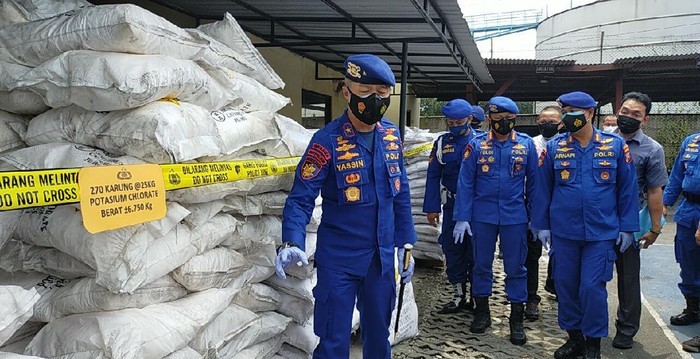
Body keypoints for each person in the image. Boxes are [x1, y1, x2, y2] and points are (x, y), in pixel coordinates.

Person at [278, 54, 417, 359]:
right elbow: (301, 198)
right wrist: (292, 240)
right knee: (333, 340)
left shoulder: (392, 136)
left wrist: (405, 245)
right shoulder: (325, 141)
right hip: (339, 260)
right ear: (346, 92)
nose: (376, 101)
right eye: (366, 92)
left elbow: (401, 193)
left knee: (380, 337)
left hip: (381, 262)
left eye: (382, 94)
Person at [531, 91, 639, 359]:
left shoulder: (614, 146)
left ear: (590, 113)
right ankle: (574, 338)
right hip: (564, 233)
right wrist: (541, 225)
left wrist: (627, 227)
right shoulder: (555, 147)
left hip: (600, 233)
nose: (567, 117)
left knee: (591, 288)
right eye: (564, 112)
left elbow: (627, 189)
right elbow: (542, 189)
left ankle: (593, 343)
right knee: (566, 286)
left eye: (572, 112)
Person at [453, 96, 538, 345]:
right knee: (481, 265)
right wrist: (462, 217)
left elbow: (534, 184)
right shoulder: (476, 145)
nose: (504, 124)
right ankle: (482, 312)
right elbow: (466, 182)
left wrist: (536, 219)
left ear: (515, 120)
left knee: (516, 267)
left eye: (509, 120)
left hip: (515, 216)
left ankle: (516, 318)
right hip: (483, 216)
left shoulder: (526, 145)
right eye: (499, 119)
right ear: (490, 119)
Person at [611, 92, 668, 349]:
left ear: (645, 119)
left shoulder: (652, 149)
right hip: (596, 220)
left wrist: (655, 229)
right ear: (617, 111)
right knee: (590, 276)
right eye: (625, 112)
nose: (628, 117)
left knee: (628, 277)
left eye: (636, 114)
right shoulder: (601, 140)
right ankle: (589, 324)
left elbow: (655, 191)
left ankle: (626, 328)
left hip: (628, 224)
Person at [423, 99, 477, 314]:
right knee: (452, 248)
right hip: (452, 205)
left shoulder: (481, 142)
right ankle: (458, 295)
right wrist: (432, 207)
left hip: (476, 208)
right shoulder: (441, 143)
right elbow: (433, 175)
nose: (454, 125)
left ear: (470, 119)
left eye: (459, 121)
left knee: (476, 252)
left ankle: (477, 297)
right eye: (450, 121)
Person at [524, 105, 563, 320]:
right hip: (532, 206)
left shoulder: (567, 144)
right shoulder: (530, 145)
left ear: (561, 123)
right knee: (532, 254)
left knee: (561, 254)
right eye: (543, 121)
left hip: (560, 208)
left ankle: (557, 287)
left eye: (552, 121)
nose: (547, 125)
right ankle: (531, 298)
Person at [662, 128, 700, 329]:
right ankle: (693, 309)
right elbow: (677, 175)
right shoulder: (691, 142)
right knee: (687, 261)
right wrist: (665, 202)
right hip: (688, 210)